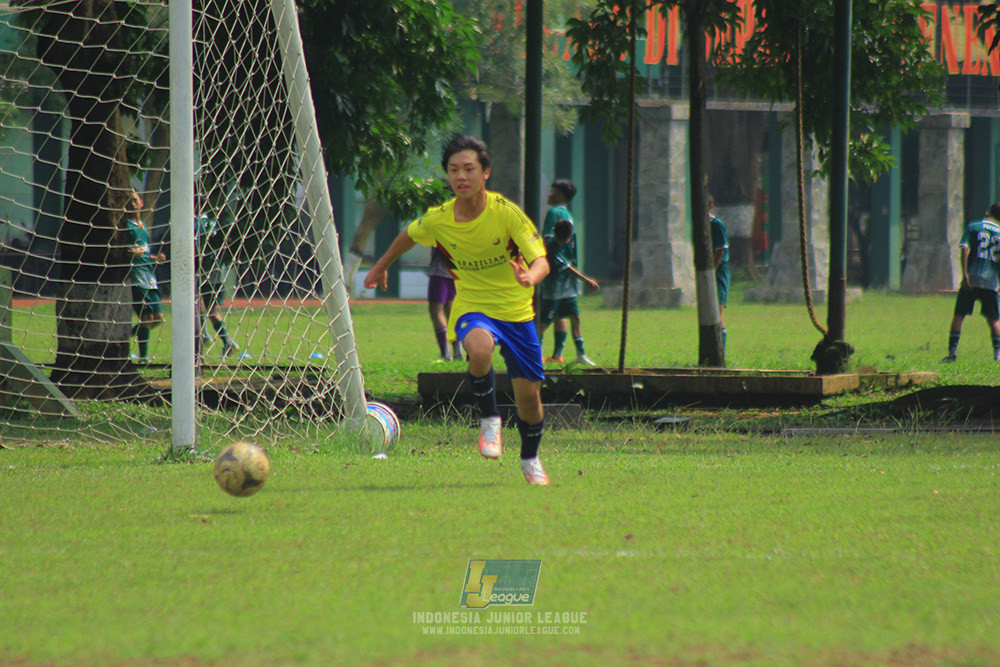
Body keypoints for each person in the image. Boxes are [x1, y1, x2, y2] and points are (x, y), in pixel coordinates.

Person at [364, 135, 552, 485]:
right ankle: (489, 420)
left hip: (517, 313)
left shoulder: (505, 214)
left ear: (486, 174)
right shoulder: (439, 219)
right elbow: (409, 234)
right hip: (473, 307)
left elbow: (540, 259)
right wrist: (381, 264)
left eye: (469, 169)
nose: (461, 176)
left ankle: (530, 459)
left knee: (529, 401)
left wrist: (531, 277)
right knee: (478, 349)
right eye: (453, 170)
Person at [537, 218, 599, 366]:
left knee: (575, 318)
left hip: (568, 290)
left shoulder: (571, 239)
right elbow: (568, 268)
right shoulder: (551, 248)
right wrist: (587, 281)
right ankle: (535, 354)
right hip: (553, 291)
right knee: (544, 323)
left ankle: (581, 354)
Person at [942, 203, 1000, 362]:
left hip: (972, 279)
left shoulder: (974, 227)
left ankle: (952, 354)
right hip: (991, 281)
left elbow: (964, 248)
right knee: (994, 320)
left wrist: (965, 274)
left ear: (987, 213)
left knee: (959, 315)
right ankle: (998, 355)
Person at [123, 190, 166, 362]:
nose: (133, 204)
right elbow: (117, 249)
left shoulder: (143, 225)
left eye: (135, 200)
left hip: (149, 276)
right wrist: (133, 253)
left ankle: (128, 334)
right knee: (146, 318)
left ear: (141, 203)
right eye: (129, 201)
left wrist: (154, 258)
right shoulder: (126, 225)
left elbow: (144, 250)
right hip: (136, 277)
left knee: (159, 318)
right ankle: (143, 357)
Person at [540, 179, 579, 363]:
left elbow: (547, 241)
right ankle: (558, 354)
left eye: (552, 191)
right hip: (566, 274)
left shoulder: (553, 212)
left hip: (553, 273)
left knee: (545, 315)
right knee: (561, 313)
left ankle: (534, 353)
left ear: (560, 195)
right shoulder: (568, 214)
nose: (549, 194)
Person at [196, 208, 239, 359]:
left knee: (198, 305)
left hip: (201, 271)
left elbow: (199, 245)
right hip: (216, 272)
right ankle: (228, 342)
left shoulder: (199, 222)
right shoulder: (215, 221)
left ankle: (203, 336)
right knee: (210, 310)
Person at [427, 246, 462, 362]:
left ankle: (445, 354)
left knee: (436, 310)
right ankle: (457, 352)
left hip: (440, 271)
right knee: (450, 309)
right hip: (457, 270)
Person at [709, 197, 730, 354]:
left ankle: (720, 352)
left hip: (717, 270)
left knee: (718, 309)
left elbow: (720, 251)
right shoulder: (700, 226)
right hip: (707, 271)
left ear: (710, 205)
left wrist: (712, 270)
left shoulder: (716, 224)